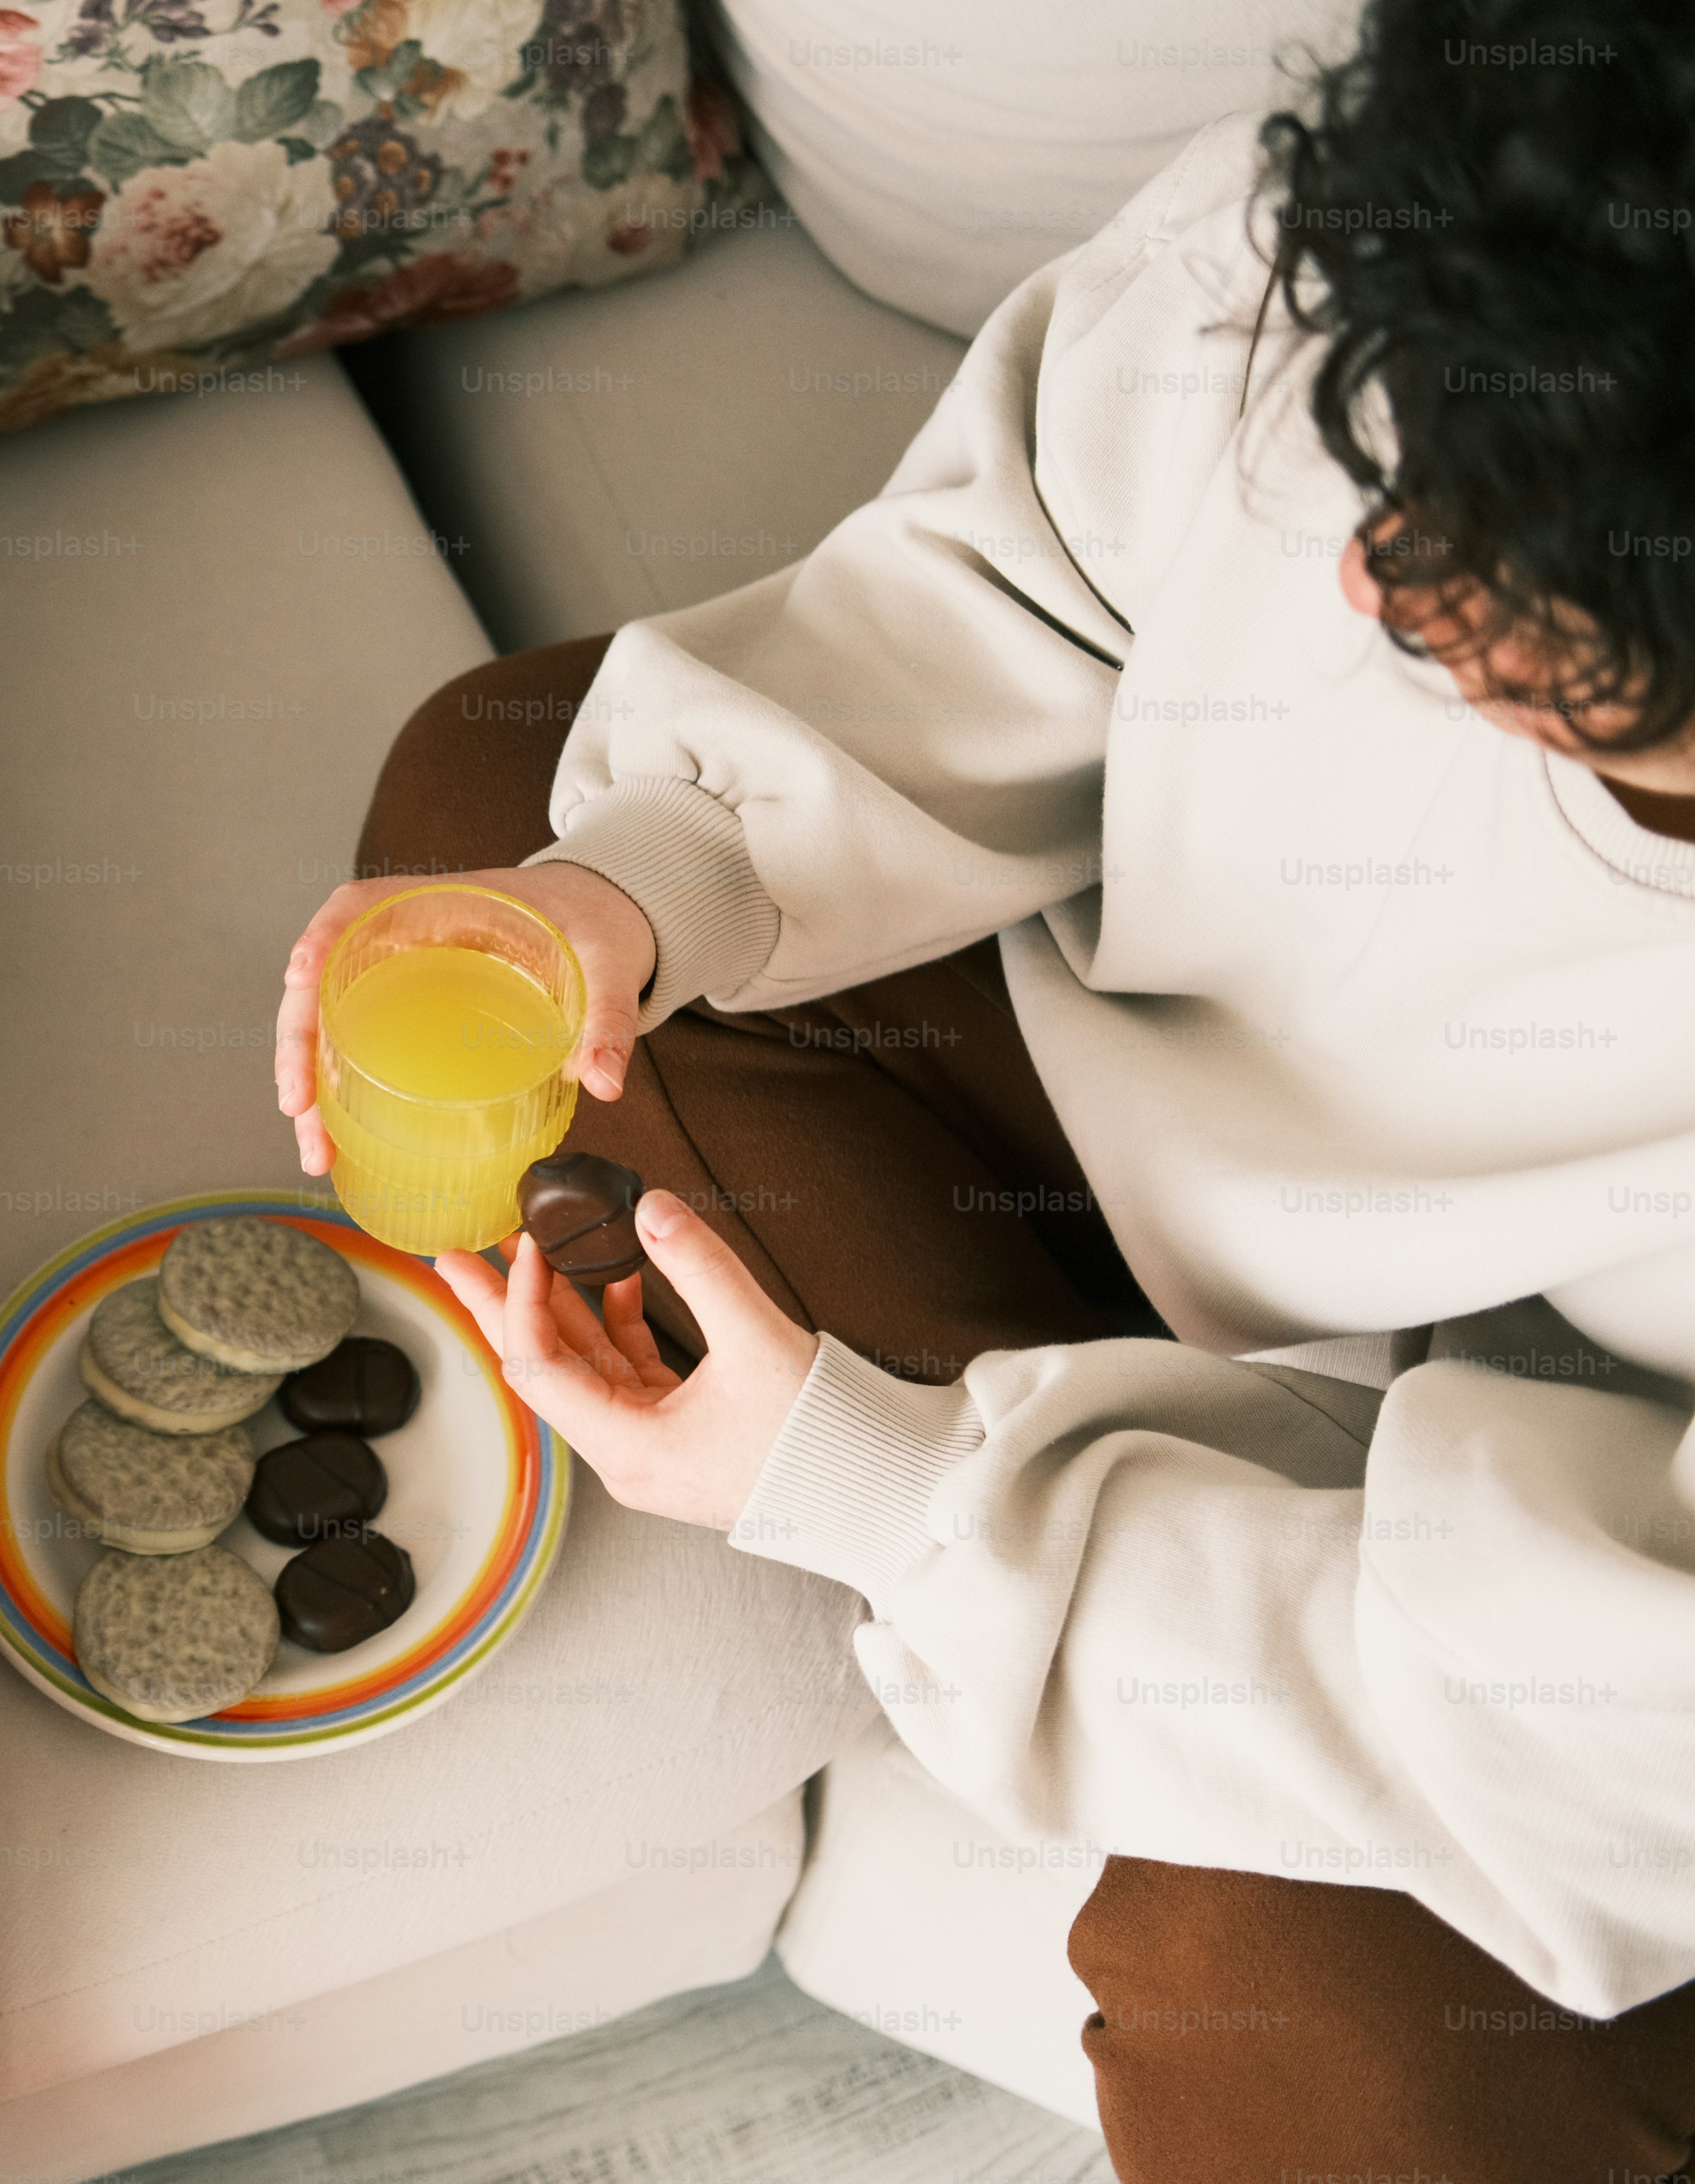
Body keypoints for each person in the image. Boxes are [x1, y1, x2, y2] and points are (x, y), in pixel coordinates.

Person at [277, 0, 1695, 2172]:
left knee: (1335, 2065)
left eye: (1481, 609)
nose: (1362, 575)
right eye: (1378, 455)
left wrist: (890, 1493)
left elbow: (1626, 1710)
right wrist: (632, 897)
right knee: (492, 803)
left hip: (1575, 1514)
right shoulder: (1473, 210)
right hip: (1135, 1126)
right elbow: (1019, 580)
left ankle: (1106, 1582)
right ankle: (1116, 1549)